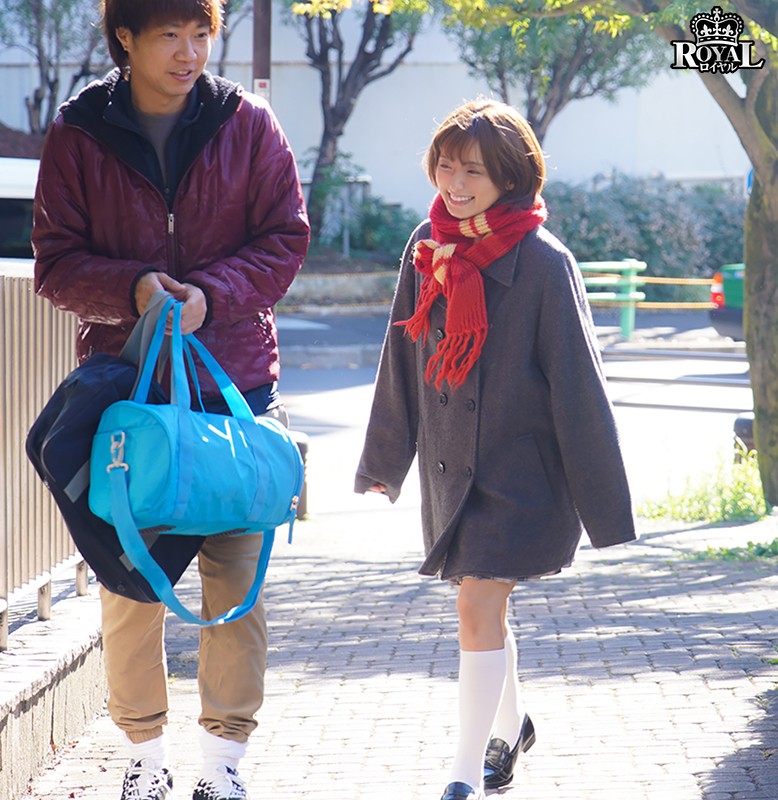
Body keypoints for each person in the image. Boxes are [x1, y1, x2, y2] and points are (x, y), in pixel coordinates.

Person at [32, 1, 310, 798]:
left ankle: (223, 767)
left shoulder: (247, 124)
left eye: (200, 35)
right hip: (132, 398)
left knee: (238, 585)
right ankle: (145, 758)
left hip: (235, 389)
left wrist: (209, 296)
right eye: (169, 36)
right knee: (132, 582)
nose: (189, 53)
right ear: (125, 38)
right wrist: (134, 289)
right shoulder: (79, 133)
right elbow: (55, 263)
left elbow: (286, 239)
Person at [354, 99, 637, 800]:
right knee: (483, 609)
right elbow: (403, 354)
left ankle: (463, 772)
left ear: (511, 176)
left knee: (476, 606)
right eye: (446, 166)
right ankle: (513, 729)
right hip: (451, 471)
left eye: (473, 171)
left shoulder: (544, 262)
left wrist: (605, 508)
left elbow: (579, 386)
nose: (455, 183)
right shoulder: (428, 245)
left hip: (524, 476)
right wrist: (384, 462)